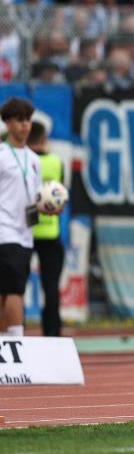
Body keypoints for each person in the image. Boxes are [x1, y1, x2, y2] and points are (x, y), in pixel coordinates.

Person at [0, 98, 44, 337]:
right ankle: (18, 343)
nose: (25, 125)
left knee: (6, 292)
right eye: (19, 120)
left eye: (28, 119)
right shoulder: (2, 155)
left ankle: (4, 345)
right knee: (15, 290)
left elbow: (35, 199)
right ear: (7, 122)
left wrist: (47, 207)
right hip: (5, 231)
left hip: (25, 233)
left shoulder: (34, 159)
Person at [27, 121, 65, 337]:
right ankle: (52, 336)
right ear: (44, 139)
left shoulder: (25, 161)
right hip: (50, 233)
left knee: (14, 291)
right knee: (51, 289)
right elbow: (61, 195)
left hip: (25, 231)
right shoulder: (56, 162)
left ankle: (14, 334)